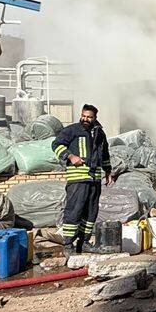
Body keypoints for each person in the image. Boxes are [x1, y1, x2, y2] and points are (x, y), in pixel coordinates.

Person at [52, 104, 113, 253]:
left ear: (95, 118)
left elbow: (104, 153)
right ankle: (68, 245)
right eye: (84, 116)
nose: (85, 119)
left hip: (94, 179)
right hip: (77, 178)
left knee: (91, 212)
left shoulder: (100, 133)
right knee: (74, 210)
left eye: (89, 117)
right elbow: (56, 145)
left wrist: (108, 171)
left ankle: (84, 243)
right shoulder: (72, 130)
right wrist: (70, 156)